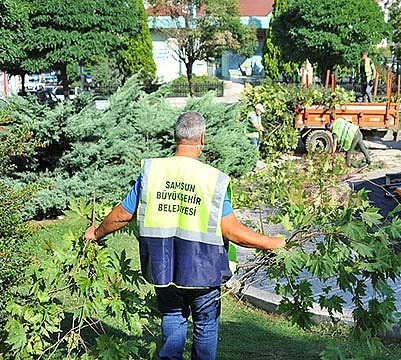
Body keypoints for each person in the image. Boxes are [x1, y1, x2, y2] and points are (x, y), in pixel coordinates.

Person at [83, 111, 285, 359]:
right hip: (203, 270)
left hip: (163, 267)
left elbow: (123, 214)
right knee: (205, 324)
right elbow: (233, 232)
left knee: (173, 317)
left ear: (175, 137)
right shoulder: (213, 180)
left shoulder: (153, 172)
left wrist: (96, 233)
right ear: (202, 138)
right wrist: (275, 243)